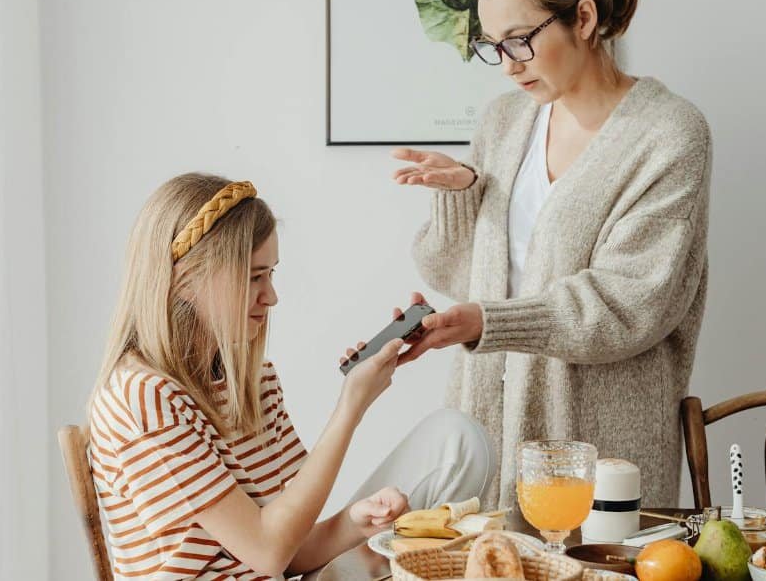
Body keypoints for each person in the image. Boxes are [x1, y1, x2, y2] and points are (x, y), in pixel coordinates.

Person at [391, 0, 712, 510]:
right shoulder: (505, 123)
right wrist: (464, 194)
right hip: (485, 430)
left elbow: (630, 305)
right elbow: (457, 278)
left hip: (599, 447)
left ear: (583, 19)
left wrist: (486, 324)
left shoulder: (669, 134)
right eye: (494, 45)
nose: (507, 66)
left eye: (519, 40)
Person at [87, 173, 495, 580]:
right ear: (185, 280)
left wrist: (357, 523)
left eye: (272, 274)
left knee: (455, 439)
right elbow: (268, 552)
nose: (272, 296)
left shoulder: (255, 381)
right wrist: (351, 406)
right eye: (253, 277)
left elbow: (293, 549)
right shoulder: (144, 396)